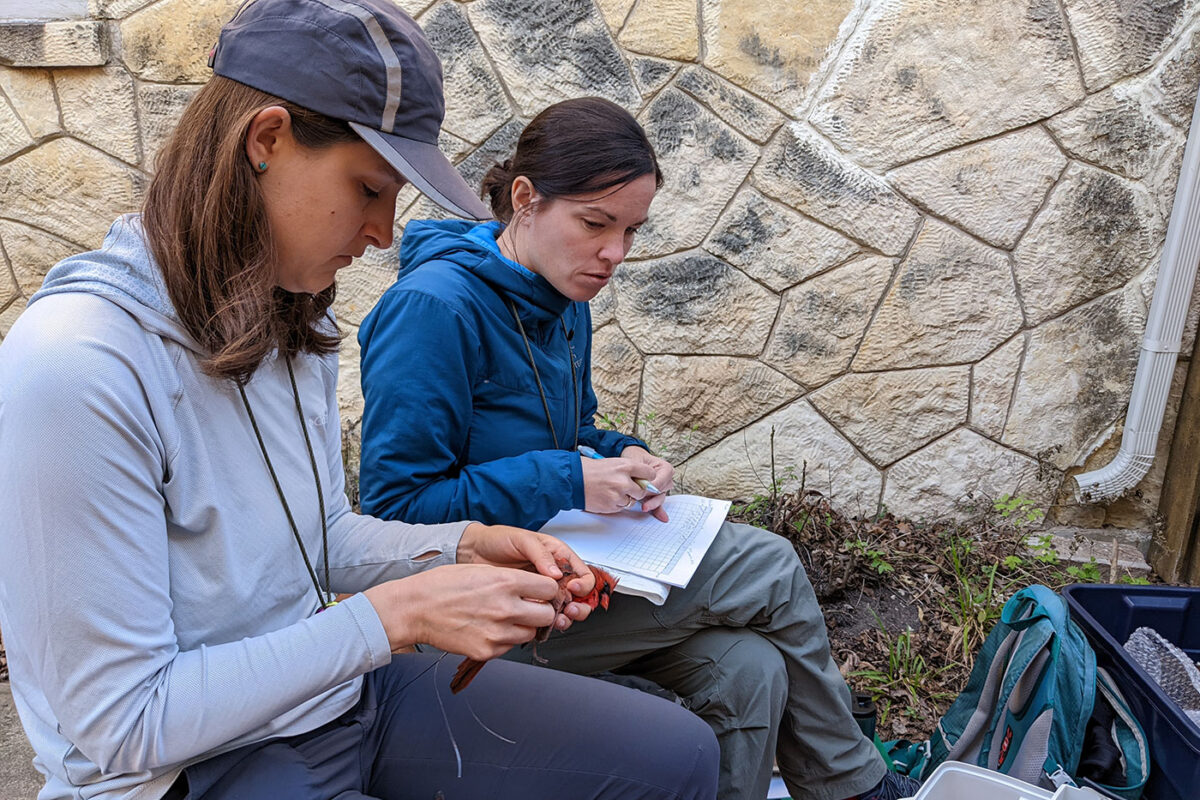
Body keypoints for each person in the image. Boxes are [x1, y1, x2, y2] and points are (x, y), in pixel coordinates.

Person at [0, 3, 720, 799]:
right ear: (266, 141)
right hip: (183, 769)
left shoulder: (294, 313)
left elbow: (319, 535)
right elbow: (122, 722)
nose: (383, 231)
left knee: (678, 756)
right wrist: (396, 617)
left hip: (333, 699)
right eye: (371, 188)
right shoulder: (76, 366)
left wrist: (469, 545)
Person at [356, 97, 924, 800]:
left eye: (630, 231)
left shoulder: (563, 301)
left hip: (576, 581)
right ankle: (855, 790)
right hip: (487, 610)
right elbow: (396, 508)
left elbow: (574, 434)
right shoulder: (433, 309)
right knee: (770, 565)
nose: (615, 254)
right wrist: (567, 478)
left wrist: (626, 455)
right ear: (526, 201)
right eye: (596, 224)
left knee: (749, 670)